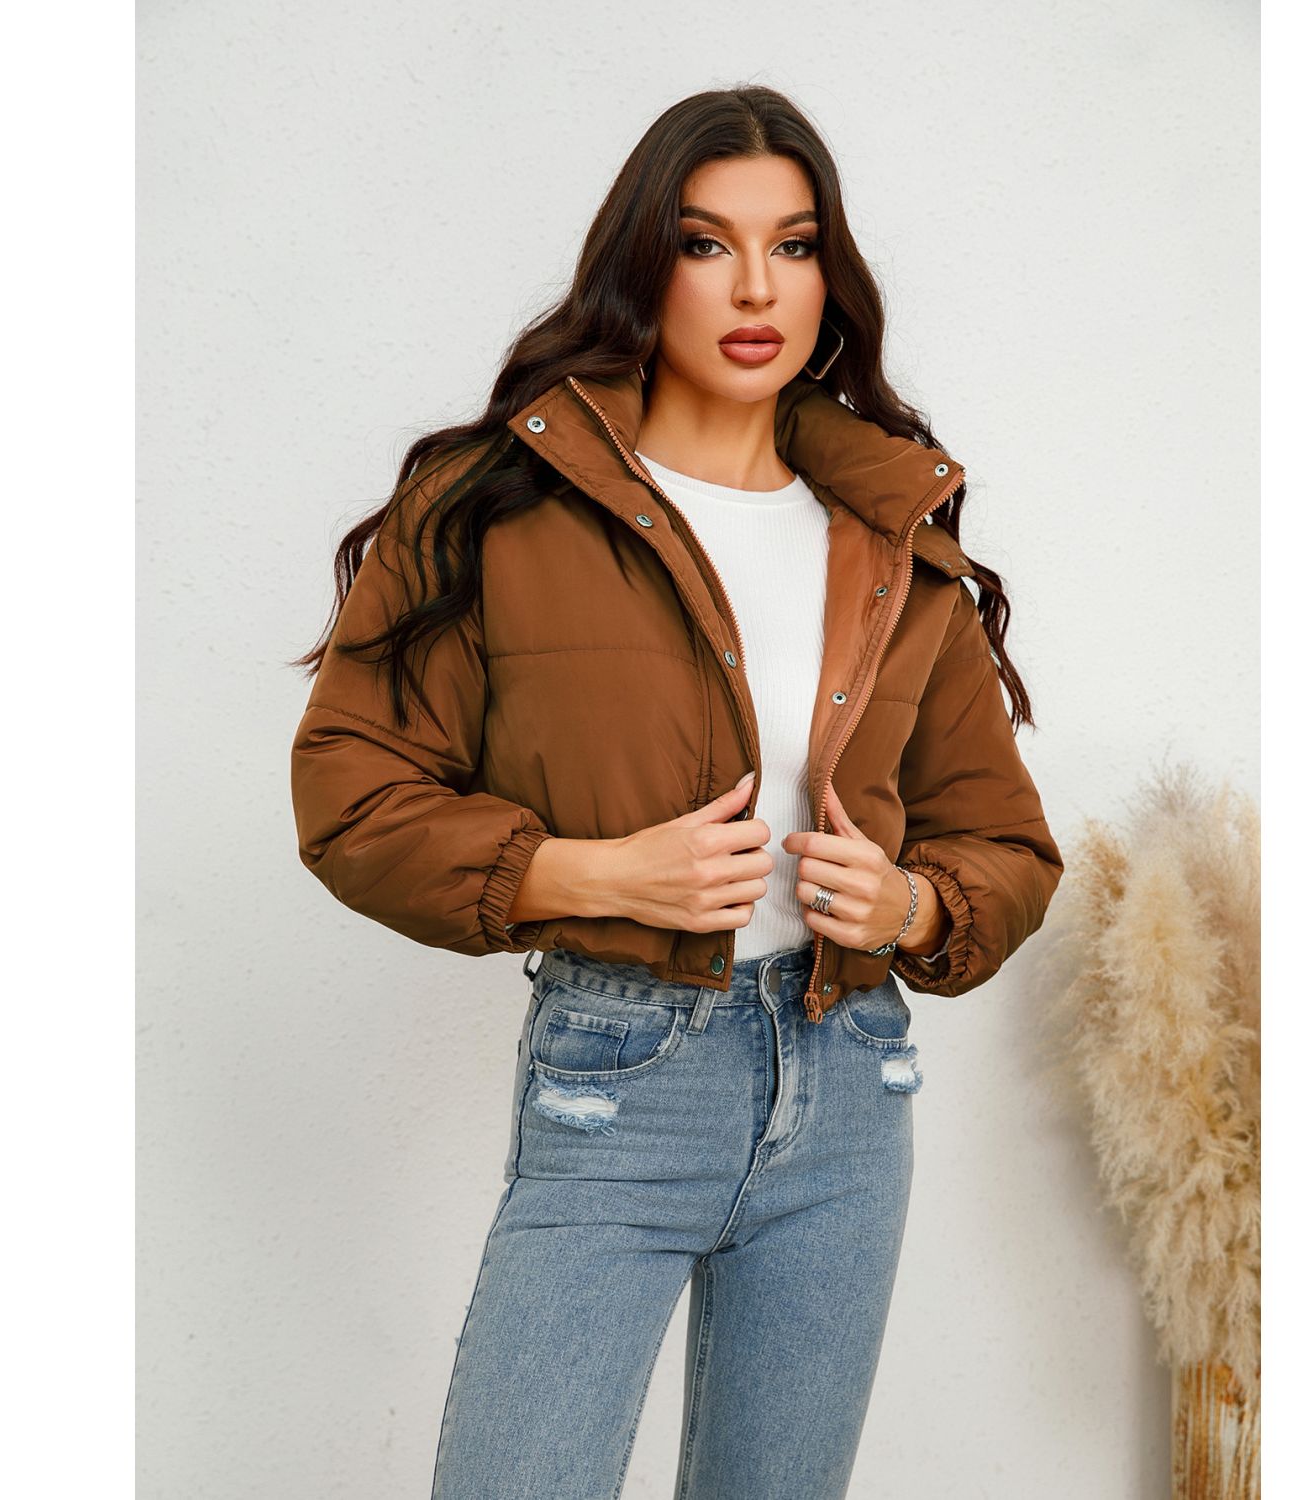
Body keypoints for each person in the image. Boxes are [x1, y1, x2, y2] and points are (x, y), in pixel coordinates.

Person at [289, 84, 1062, 1500]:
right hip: (618, 1072)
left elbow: (1005, 844)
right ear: (645, 267)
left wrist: (910, 905)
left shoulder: (892, 535)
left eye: (794, 244)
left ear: (830, 275)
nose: (756, 287)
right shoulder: (497, 507)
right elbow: (351, 792)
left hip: (851, 1080)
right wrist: (586, 873)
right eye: (708, 244)